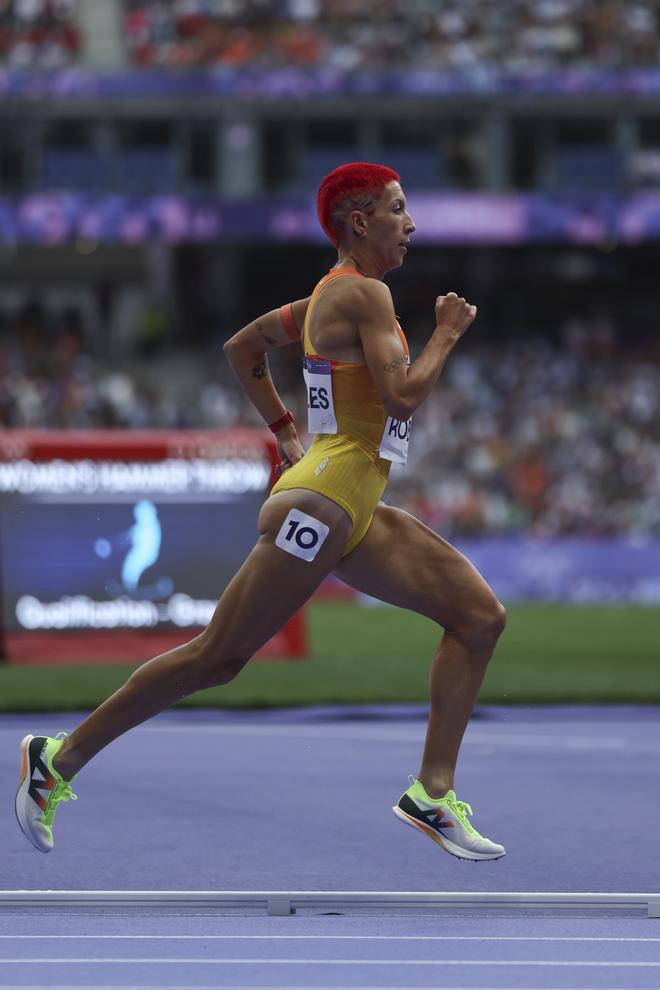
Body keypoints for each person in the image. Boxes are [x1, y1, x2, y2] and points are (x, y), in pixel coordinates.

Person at [16, 162, 506, 862]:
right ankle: (55, 761)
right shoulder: (363, 294)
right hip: (328, 498)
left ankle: (432, 791)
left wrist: (282, 431)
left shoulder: (324, 301)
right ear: (360, 221)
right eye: (398, 209)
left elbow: (242, 348)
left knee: (480, 618)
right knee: (217, 658)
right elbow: (402, 399)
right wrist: (449, 333)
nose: (412, 223)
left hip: (353, 499)